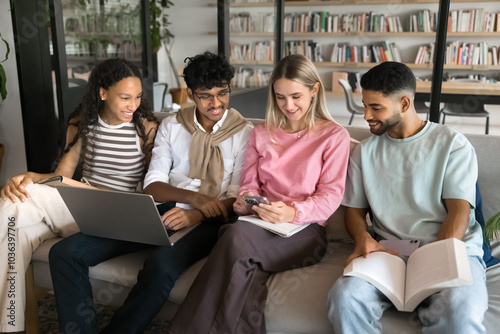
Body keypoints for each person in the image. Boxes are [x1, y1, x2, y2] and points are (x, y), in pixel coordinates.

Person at [48, 51, 253, 334]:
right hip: (160, 208)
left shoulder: (245, 133)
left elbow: (237, 197)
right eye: (206, 95)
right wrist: (191, 198)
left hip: (211, 220)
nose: (216, 103)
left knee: (160, 266)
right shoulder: (171, 125)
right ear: (192, 94)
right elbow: (152, 185)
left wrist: (195, 214)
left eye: (223, 93)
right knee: (65, 253)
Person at [169, 54, 351, 334]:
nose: (288, 106)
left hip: (305, 232)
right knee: (245, 270)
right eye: (280, 97)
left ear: (314, 90)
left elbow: (330, 196)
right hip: (258, 223)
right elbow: (249, 185)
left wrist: (293, 212)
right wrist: (245, 203)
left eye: (296, 96)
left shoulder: (333, 136)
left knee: (234, 237)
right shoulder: (261, 133)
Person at [327, 62, 487, 333]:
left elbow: (459, 211)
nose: (366, 115)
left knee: (460, 311)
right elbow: (353, 211)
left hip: (448, 247)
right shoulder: (363, 153)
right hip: (389, 249)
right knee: (345, 298)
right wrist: (363, 239)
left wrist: (438, 260)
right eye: (364, 105)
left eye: (375, 107)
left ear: (404, 103)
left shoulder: (452, 144)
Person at [0, 58, 158, 333]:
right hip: (79, 207)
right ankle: (9, 327)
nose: (132, 105)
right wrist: (37, 182)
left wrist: (38, 179)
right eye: (124, 98)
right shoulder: (82, 122)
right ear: (103, 93)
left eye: (137, 97)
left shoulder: (144, 129)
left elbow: (151, 188)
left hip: (118, 214)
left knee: (21, 197)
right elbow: (63, 176)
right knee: (15, 223)